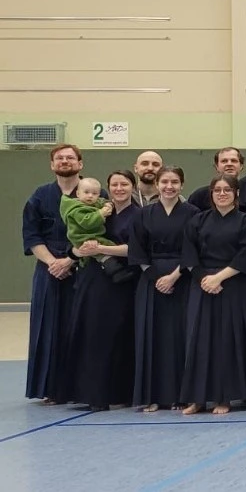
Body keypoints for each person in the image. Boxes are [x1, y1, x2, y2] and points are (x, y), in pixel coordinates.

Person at [179, 175, 246, 415]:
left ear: (236, 193)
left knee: (227, 341)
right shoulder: (198, 221)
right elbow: (189, 254)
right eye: (217, 190)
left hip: (233, 285)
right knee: (199, 341)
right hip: (202, 284)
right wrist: (205, 279)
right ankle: (197, 399)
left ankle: (223, 398)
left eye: (227, 190)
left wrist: (219, 278)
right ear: (211, 194)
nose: (222, 193)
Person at [66, 170, 139, 412]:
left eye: (124, 184)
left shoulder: (139, 215)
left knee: (118, 336)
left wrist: (102, 248)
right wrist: (81, 251)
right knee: (92, 335)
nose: (119, 189)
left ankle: (119, 392)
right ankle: (92, 393)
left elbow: (137, 250)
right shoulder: (93, 210)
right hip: (93, 280)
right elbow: (75, 243)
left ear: (132, 186)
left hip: (122, 281)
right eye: (114, 184)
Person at [130, 166, 200, 411]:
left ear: (182, 185)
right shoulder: (142, 214)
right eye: (165, 182)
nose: (169, 186)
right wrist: (155, 277)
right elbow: (137, 251)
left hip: (183, 278)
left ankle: (183, 395)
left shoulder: (193, 213)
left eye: (174, 182)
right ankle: (154, 395)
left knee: (182, 336)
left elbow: (194, 249)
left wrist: (173, 276)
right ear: (157, 184)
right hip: (151, 281)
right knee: (153, 337)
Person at [22, 144, 84, 404]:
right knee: (47, 328)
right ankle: (49, 388)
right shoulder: (39, 196)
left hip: (82, 267)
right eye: (59, 158)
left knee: (80, 327)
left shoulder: (93, 192)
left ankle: (79, 387)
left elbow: (99, 232)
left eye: (70, 158)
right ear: (52, 164)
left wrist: (69, 260)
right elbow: (32, 235)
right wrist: (53, 263)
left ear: (80, 163)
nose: (65, 161)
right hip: (47, 269)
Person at [61, 178, 118, 262]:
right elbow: (87, 222)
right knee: (109, 246)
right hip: (81, 237)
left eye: (94, 193)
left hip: (93, 236)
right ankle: (111, 264)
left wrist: (108, 204)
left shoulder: (93, 202)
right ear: (78, 193)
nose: (90, 196)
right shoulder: (77, 209)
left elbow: (102, 201)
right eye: (86, 192)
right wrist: (101, 213)